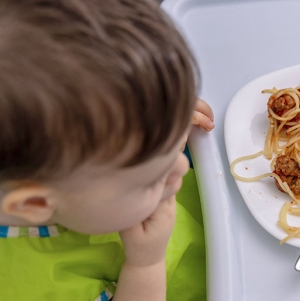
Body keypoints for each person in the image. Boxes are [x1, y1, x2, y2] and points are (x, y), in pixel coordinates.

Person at [0, 0, 214, 300]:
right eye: (150, 179)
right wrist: (144, 264)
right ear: (35, 203)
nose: (180, 167)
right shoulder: (22, 286)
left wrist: (164, 117)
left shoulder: (87, 176)